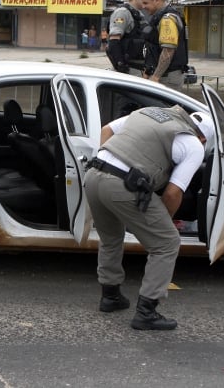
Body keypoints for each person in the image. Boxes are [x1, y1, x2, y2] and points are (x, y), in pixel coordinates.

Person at [84, 106, 215, 330]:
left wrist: (106, 162)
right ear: (203, 138)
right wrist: (163, 224)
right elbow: (173, 193)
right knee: (167, 242)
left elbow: (106, 130)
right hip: (121, 186)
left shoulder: (149, 112)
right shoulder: (193, 145)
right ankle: (146, 311)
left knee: (111, 236)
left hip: (93, 175)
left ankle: (110, 296)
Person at [139, 0, 189, 90]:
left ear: (156, 0)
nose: (143, 7)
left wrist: (156, 76)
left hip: (167, 78)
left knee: (164, 107)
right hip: (164, 76)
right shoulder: (160, 18)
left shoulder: (167, 20)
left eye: (145, 3)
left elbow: (168, 51)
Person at [106, 0, 152, 73]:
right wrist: (121, 66)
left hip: (139, 67)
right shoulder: (122, 12)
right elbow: (114, 42)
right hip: (129, 69)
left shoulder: (138, 14)